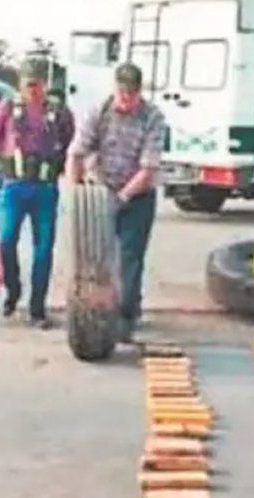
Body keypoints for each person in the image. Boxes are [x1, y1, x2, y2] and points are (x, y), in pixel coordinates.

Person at [65, 63, 166, 342]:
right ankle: (98, 312)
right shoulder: (99, 111)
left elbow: (148, 169)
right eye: (122, 92)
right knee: (97, 258)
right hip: (102, 190)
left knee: (129, 258)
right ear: (115, 88)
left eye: (131, 93)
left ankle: (127, 316)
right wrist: (76, 194)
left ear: (139, 92)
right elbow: (76, 154)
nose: (126, 99)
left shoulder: (153, 117)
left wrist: (122, 198)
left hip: (137, 195)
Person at [0, 60, 74, 327]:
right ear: (21, 84)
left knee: (43, 249)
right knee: (5, 241)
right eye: (28, 84)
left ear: (44, 84)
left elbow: (70, 143)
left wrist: (70, 167)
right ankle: (13, 289)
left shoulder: (59, 112)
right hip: (13, 185)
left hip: (44, 187)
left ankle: (37, 308)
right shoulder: (8, 107)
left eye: (37, 84)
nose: (33, 89)